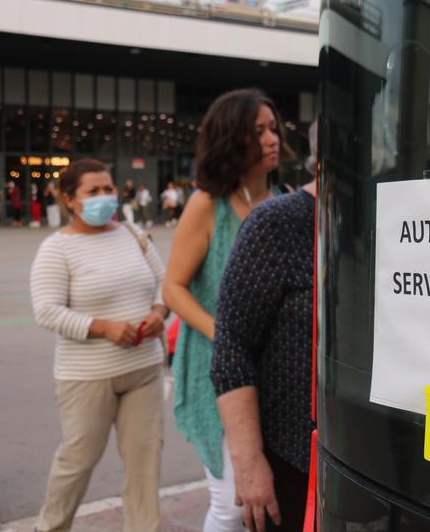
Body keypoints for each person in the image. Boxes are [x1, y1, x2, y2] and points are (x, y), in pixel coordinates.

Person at [163, 88, 289, 532]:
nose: (272, 139)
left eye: (273, 128)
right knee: (233, 503)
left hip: (273, 370)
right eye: (258, 132)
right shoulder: (206, 205)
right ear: (231, 139)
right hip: (217, 367)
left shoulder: (284, 202)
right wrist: (224, 332)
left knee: (271, 493)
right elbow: (173, 288)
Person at [30, 158, 168, 532]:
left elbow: (164, 282)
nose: (103, 197)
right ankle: (51, 527)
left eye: (108, 189)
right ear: (69, 199)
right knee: (77, 461)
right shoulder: (57, 249)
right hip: (87, 377)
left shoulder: (133, 234)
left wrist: (159, 310)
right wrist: (102, 328)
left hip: (144, 370)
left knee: (145, 464)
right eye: (92, 191)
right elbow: (47, 311)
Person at [212, 121, 317, 532]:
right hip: (290, 459)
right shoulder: (279, 222)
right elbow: (232, 348)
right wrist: (249, 464)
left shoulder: (391, 220)